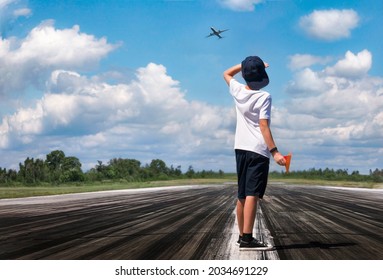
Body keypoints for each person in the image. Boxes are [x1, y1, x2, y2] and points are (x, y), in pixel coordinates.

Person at [223, 56, 286, 251]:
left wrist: (244, 66)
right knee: (253, 193)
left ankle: (243, 236)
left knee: (242, 194)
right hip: (258, 149)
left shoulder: (238, 90)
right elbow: (264, 126)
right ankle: (249, 239)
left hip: (240, 148)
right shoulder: (264, 97)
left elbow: (226, 73)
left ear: (244, 75)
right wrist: (274, 152)